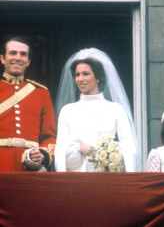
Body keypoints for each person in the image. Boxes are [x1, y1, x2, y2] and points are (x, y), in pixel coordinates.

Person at [54, 48, 139, 172]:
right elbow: (61, 150)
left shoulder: (116, 109)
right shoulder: (67, 111)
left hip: (108, 178)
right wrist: (80, 148)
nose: (80, 79)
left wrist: (105, 154)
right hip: (76, 180)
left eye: (86, 74)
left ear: (98, 77)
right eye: (77, 75)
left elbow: (129, 148)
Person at [0, 37, 56, 172]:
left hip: (29, 167)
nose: (18, 58)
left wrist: (41, 155)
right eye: (13, 53)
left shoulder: (41, 93)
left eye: (23, 54)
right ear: (2, 59)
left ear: (28, 61)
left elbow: (49, 136)